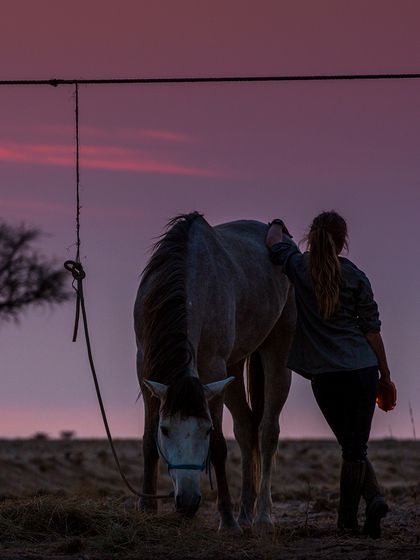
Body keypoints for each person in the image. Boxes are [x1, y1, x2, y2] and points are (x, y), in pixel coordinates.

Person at [265, 211, 393, 539]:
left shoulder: (299, 268)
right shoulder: (356, 276)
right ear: (343, 241)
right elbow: (371, 331)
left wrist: (277, 223)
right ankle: (371, 501)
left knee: (352, 448)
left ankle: (350, 520)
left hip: (326, 376)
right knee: (355, 448)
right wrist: (385, 375)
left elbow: (274, 244)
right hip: (363, 369)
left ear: (312, 236)